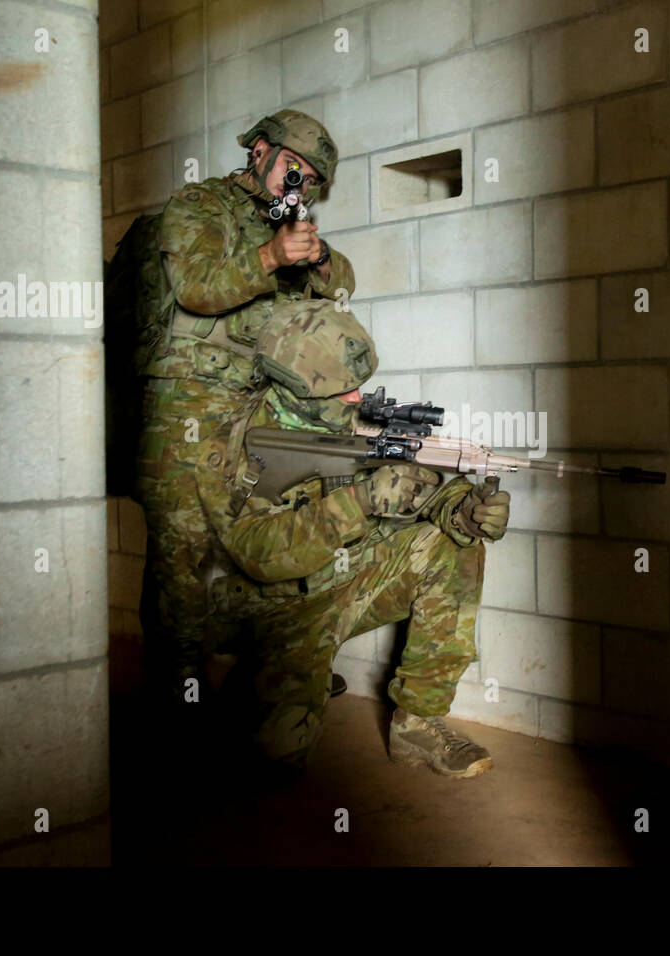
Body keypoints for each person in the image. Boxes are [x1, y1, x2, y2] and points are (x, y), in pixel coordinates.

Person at [192, 302, 512, 779]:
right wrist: (361, 500)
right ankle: (268, 677)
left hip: (358, 580)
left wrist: (466, 512)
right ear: (294, 385)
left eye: (356, 384)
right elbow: (257, 552)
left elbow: (429, 492)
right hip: (280, 606)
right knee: (264, 765)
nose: (356, 397)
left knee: (452, 546)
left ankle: (417, 724)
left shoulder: (362, 418)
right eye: (341, 389)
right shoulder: (232, 441)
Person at [133, 110, 353, 705]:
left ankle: (285, 652)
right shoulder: (200, 205)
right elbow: (198, 287)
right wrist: (271, 258)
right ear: (259, 150)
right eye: (291, 168)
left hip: (258, 404)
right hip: (184, 403)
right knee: (182, 555)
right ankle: (179, 689)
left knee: (272, 532)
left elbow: (343, 286)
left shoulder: (288, 222)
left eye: (308, 179)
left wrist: (319, 257)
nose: (295, 185)